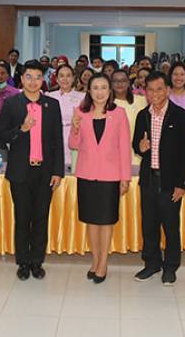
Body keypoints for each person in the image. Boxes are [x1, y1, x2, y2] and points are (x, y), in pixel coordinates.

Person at [0, 60, 64, 280]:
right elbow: (3, 136)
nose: (33, 81)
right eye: (29, 77)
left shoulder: (52, 105)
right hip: (20, 172)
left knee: (41, 218)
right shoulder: (12, 103)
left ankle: (37, 261)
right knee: (22, 218)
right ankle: (23, 262)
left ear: (43, 79)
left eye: (38, 77)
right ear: (21, 79)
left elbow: (57, 140)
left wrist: (57, 171)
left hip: (45, 172)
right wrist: (22, 129)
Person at [131, 71, 185, 286]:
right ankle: (152, 264)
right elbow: (136, 144)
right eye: (150, 90)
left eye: (159, 89)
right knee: (149, 225)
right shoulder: (143, 115)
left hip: (171, 181)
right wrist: (140, 147)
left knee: (170, 226)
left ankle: (170, 267)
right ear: (145, 92)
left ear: (167, 90)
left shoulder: (180, 115)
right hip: (149, 179)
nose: (155, 93)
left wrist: (182, 184)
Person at [69, 73, 131, 283]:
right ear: (89, 90)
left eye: (104, 87)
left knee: (106, 221)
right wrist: (75, 128)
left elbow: (124, 148)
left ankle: (103, 263)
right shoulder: (80, 112)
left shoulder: (119, 113)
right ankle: (95, 260)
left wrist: (125, 178)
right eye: (95, 88)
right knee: (91, 221)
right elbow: (73, 144)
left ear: (110, 90)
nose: (99, 92)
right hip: (86, 174)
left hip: (110, 176)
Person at [47, 64, 85, 172]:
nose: (65, 79)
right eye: (61, 76)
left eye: (68, 76)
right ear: (57, 79)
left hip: (75, 136)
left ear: (73, 78)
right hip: (54, 136)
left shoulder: (82, 97)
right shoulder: (49, 96)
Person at [112, 69, 147, 166]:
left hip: (136, 155)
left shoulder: (141, 100)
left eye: (123, 80)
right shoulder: (105, 103)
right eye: (115, 81)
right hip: (112, 156)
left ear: (128, 83)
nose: (119, 84)